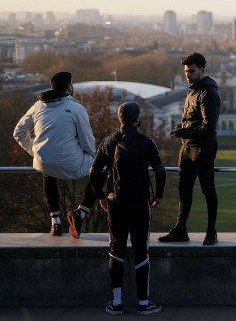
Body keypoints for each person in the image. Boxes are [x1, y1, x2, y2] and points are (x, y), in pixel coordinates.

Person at [88, 102, 166, 315]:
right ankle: (143, 303)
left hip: (116, 202)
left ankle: (117, 302)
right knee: (141, 251)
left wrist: (101, 197)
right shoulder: (146, 142)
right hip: (140, 202)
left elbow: (94, 174)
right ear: (137, 119)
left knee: (116, 250)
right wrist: (157, 195)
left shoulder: (109, 142)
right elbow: (160, 171)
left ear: (119, 118)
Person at [13, 71, 98, 237]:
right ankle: (81, 213)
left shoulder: (37, 106)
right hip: (72, 165)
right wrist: (91, 156)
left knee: (47, 166)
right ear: (69, 88)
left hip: (43, 162)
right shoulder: (76, 108)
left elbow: (18, 132)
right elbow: (87, 141)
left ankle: (56, 222)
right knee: (100, 168)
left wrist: (35, 151)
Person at [159, 52, 220, 246]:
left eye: (191, 71)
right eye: (186, 71)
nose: (188, 74)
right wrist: (181, 129)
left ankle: (211, 232)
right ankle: (180, 229)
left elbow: (209, 128)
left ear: (202, 70)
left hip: (202, 149)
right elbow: (190, 119)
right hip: (187, 148)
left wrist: (183, 132)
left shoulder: (208, 93)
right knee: (184, 189)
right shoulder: (193, 90)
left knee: (207, 190)